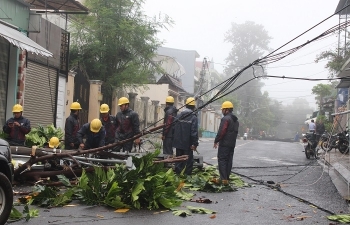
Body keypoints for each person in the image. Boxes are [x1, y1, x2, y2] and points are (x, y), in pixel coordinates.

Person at [213, 101, 239, 185]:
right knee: (229, 160)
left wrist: (216, 141)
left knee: (222, 160)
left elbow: (222, 131)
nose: (222, 111)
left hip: (224, 144)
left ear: (226, 110)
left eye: (223, 109)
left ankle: (223, 179)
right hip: (232, 144)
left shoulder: (226, 119)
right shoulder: (236, 120)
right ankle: (226, 178)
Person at [173, 97, 199, 175]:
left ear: (186, 105)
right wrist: (194, 144)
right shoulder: (193, 117)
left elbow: (174, 127)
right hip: (187, 144)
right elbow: (193, 132)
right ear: (194, 107)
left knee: (178, 159)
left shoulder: (179, 115)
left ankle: (178, 175)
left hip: (178, 142)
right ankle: (186, 176)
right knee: (187, 160)